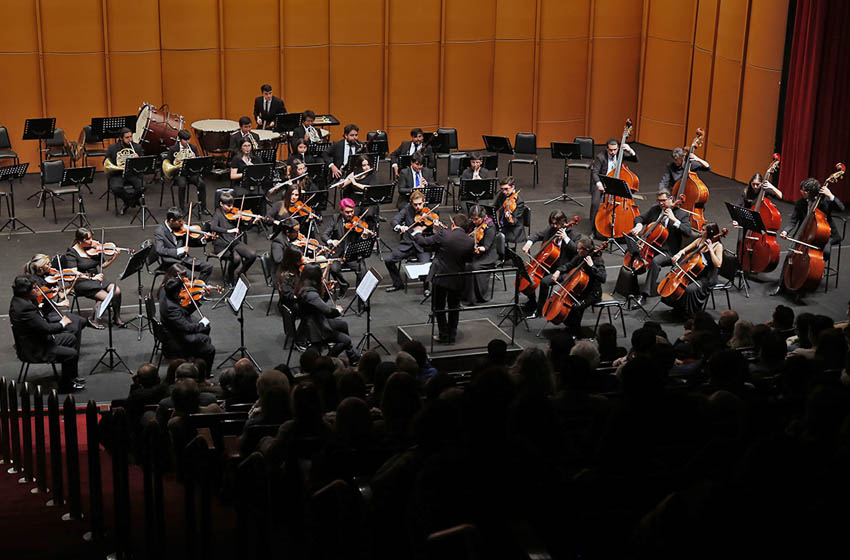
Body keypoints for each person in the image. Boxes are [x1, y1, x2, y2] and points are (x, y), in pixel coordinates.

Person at [772, 177, 845, 295]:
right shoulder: (800, 203)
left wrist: (831, 195)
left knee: (824, 253)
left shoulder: (825, 201)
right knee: (790, 254)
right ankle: (781, 286)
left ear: (812, 192)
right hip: (805, 234)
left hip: (825, 234)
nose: (802, 193)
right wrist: (786, 231)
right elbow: (793, 221)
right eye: (802, 190)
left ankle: (807, 281)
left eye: (805, 191)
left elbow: (841, 208)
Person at [10, 275, 83, 392]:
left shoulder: (20, 300)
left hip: (38, 339)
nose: (37, 290)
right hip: (36, 349)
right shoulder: (25, 308)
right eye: (34, 289)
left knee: (71, 338)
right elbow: (47, 328)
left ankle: (71, 377)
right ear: (26, 292)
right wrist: (62, 323)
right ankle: (66, 386)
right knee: (72, 353)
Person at [410, 213, 475, 344]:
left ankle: (443, 334)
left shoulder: (444, 234)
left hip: (440, 276)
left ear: (453, 224)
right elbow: (468, 259)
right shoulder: (470, 241)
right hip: (457, 277)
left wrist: (417, 233)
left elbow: (424, 242)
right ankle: (452, 335)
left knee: (438, 306)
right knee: (454, 307)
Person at [625, 189, 694, 306]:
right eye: (659, 201)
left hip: (669, 251)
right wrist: (639, 225)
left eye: (663, 201)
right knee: (632, 252)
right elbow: (640, 218)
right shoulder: (655, 209)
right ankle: (630, 288)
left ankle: (645, 295)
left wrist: (674, 220)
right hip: (652, 246)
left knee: (655, 262)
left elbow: (688, 232)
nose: (661, 203)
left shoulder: (681, 214)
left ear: (671, 199)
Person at [520, 210, 581, 318]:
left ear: (564, 222)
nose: (554, 226)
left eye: (556, 224)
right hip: (548, 265)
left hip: (563, 270)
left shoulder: (575, 235)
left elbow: (577, 250)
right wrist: (529, 243)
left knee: (544, 282)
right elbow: (537, 235)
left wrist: (565, 238)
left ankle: (540, 311)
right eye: (552, 223)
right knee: (528, 276)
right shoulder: (552, 229)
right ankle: (532, 302)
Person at [64, 228, 125, 329]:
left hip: (97, 278)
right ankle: (92, 319)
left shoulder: (95, 248)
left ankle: (116, 317)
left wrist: (114, 257)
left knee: (116, 291)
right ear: (80, 241)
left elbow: (103, 265)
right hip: (82, 282)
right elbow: (73, 273)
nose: (92, 241)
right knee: (106, 297)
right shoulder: (72, 253)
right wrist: (92, 277)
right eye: (88, 239)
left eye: (91, 237)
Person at [296, 263, 358, 363]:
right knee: (346, 340)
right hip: (315, 328)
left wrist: (327, 291)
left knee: (343, 325)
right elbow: (328, 312)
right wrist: (338, 311)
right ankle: (326, 361)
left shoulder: (303, 286)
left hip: (314, 321)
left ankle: (352, 355)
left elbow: (318, 305)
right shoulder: (310, 294)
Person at [549, 237, 607, 337]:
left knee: (576, 307)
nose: (577, 250)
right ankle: (570, 326)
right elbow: (569, 265)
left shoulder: (598, 260)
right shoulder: (580, 256)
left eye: (579, 248)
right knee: (569, 304)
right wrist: (558, 271)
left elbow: (603, 278)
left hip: (593, 293)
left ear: (587, 250)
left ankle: (576, 332)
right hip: (581, 290)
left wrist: (592, 266)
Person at [665, 221, 724, 318]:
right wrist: (678, 254)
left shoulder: (718, 246)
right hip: (696, 272)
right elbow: (685, 249)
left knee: (689, 289)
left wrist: (710, 250)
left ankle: (690, 314)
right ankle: (678, 309)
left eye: (704, 230)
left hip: (708, 276)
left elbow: (718, 264)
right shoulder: (700, 240)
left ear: (711, 232)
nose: (701, 231)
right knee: (673, 281)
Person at [321, 198, 375, 302]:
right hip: (338, 254)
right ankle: (343, 285)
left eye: (352, 211)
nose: (350, 214)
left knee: (362, 269)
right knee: (333, 268)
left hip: (352, 255)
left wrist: (363, 236)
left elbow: (362, 241)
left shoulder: (358, 220)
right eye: (347, 212)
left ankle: (361, 295)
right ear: (341, 211)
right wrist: (330, 241)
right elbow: (324, 235)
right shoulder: (335, 219)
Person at [159, 276, 215, 373]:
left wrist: (197, 298)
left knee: (205, 329)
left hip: (172, 326)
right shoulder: (172, 309)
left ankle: (197, 359)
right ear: (175, 292)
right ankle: (204, 373)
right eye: (180, 289)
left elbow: (183, 311)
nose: (182, 291)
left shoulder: (164, 292)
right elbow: (186, 327)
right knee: (209, 346)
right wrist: (202, 324)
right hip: (176, 338)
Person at [24, 254, 87, 337]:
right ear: (41, 268)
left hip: (52, 309)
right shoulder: (35, 283)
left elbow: (61, 295)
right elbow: (40, 304)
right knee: (75, 326)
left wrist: (73, 282)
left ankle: (67, 339)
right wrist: (59, 304)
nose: (51, 266)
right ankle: (65, 339)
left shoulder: (49, 277)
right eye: (48, 264)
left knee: (82, 321)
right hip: (46, 313)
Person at [384, 190, 433, 294]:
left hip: (422, 246)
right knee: (388, 260)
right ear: (411, 203)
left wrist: (433, 226)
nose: (418, 207)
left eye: (420, 204)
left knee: (426, 264)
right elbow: (394, 220)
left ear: (424, 202)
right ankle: (398, 283)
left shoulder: (430, 212)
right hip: (407, 244)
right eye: (415, 205)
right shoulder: (407, 209)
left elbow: (435, 231)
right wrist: (399, 226)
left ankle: (426, 287)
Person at [590, 137, 638, 234]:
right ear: (606, 149)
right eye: (610, 150)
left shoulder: (621, 153)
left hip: (616, 182)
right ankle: (593, 229)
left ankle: (621, 224)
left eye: (615, 149)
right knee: (595, 203)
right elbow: (594, 172)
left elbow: (635, 159)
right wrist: (599, 184)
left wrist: (630, 150)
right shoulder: (600, 157)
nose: (613, 152)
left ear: (618, 148)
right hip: (603, 182)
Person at [209, 192, 259, 285]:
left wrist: (252, 223)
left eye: (232, 205)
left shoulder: (234, 214)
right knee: (236, 258)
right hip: (222, 244)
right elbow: (213, 227)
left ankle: (241, 272)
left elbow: (244, 228)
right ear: (221, 204)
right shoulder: (218, 213)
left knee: (252, 254)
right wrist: (228, 231)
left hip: (234, 242)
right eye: (228, 205)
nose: (231, 207)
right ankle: (230, 276)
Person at [153, 207, 214, 281]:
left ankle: (199, 288)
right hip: (171, 262)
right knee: (190, 276)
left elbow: (190, 242)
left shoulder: (180, 228)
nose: (182, 223)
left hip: (185, 259)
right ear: (171, 221)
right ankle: (190, 290)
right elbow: (160, 250)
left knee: (208, 267)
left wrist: (203, 240)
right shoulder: (160, 231)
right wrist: (180, 250)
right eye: (179, 221)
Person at [463, 205, 498, 305]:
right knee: (461, 261)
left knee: (474, 266)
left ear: (482, 217)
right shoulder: (472, 223)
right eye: (472, 219)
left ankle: (476, 297)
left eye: (476, 219)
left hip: (488, 255)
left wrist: (478, 248)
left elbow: (486, 246)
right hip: (475, 252)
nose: (474, 221)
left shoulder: (490, 226)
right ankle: (464, 295)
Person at [105, 127, 144, 215]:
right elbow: (105, 162)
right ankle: (130, 201)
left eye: (131, 137)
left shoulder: (137, 147)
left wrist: (138, 159)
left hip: (132, 174)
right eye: (127, 137)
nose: (130, 139)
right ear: (121, 138)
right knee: (115, 188)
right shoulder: (113, 148)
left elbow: (143, 164)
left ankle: (129, 202)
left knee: (142, 187)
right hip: (118, 174)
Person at [167, 129, 207, 213]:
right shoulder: (173, 149)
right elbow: (169, 162)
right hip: (179, 174)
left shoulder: (193, 148)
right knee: (182, 185)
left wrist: (194, 158)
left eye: (189, 139)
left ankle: (203, 208)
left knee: (201, 184)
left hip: (191, 173)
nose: (187, 142)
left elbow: (198, 164)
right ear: (180, 139)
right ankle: (182, 208)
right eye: (185, 140)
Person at [493, 177, 526, 245]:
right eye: (502, 189)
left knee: (496, 240)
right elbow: (495, 207)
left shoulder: (519, 202)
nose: (504, 192)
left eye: (506, 189)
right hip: (503, 226)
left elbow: (514, 221)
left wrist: (508, 218)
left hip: (513, 230)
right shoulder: (502, 195)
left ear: (512, 187)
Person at [276, 247, 302, 312]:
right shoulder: (285, 276)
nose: (302, 261)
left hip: (297, 297)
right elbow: (290, 296)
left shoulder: (295, 268)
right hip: (291, 304)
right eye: (299, 259)